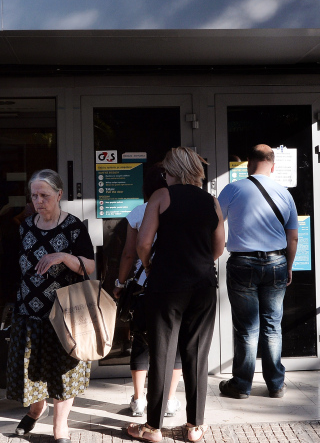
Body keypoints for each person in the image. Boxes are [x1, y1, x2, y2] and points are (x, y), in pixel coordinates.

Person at [127, 148, 224, 443]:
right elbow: (219, 247)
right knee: (196, 355)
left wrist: (148, 265)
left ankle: (152, 428)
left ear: (173, 172)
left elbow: (143, 243)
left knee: (162, 353)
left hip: (167, 285)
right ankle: (195, 427)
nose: (164, 176)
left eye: (166, 172)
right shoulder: (212, 202)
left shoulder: (160, 197)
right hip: (204, 285)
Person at [6, 169, 96, 443]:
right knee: (31, 372)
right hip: (28, 313)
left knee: (62, 372)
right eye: (34, 195)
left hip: (64, 316)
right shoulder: (25, 226)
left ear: (59, 195)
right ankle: (36, 410)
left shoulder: (74, 227)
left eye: (44, 195)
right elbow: (13, 269)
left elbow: (90, 267)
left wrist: (63, 257)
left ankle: (60, 427)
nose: (38, 201)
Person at [216, 144, 299, 400]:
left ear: (249, 163)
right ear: (272, 166)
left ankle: (242, 385)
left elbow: (215, 223)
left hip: (242, 264)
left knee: (247, 328)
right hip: (276, 263)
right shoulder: (284, 193)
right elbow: (293, 237)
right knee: (273, 326)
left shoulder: (233, 189)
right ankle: (275, 384)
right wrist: (289, 266)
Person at [113, 162, 182, 418]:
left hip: (145, 287)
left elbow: (130, 253)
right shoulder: (178, 208)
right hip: (174, 287)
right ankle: (170, 399)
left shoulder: (139, 211)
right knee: (174, 344)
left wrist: (120, 284)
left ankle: (140, 399)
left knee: (141, 342)